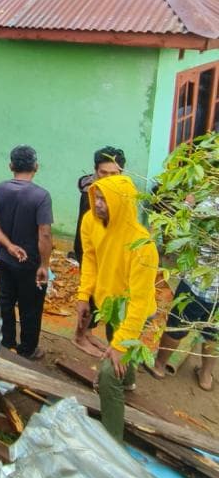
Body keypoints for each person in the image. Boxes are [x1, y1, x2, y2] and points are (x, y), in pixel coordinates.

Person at [76, 174, 158, 442]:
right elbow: (89, 258)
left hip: (136, 312)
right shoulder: (90, 222)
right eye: (96, 197)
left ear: (121, 203)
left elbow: (138, 300)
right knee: (113, 340)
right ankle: (129, 379)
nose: (97, 204)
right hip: (109, 305)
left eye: (104, 199)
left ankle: (113, 444)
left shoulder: (142, 245)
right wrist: (83, 295)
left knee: (109, 373)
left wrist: (123, 346)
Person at [0, 145, 53, 359]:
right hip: (30, 263)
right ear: (36, 167)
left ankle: (7, 344)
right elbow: (44, 234)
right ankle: (28, 350)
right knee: (30, 308)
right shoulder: (41, 196)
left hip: (5, 259)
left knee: (5, 301)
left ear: (11, 166)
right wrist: (44, 265)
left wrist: (8, 245)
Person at [148, 196, 218, 391]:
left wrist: (187, 205)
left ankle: (160, 366)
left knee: (177, 326)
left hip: (197, 285)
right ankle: (205, 376)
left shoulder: (209, 206)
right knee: (213, 333)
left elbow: (179, 234)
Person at [72, 146, 126, 357]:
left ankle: (88, 333)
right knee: (90, 296)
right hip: (91, 254)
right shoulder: (91, 197)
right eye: (104, 173)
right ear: (95, 172)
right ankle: (79, 336)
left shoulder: (120, 191)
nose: (108, 178)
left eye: (114, 173)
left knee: (100, 297)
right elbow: (84, 237)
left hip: (108, 254)